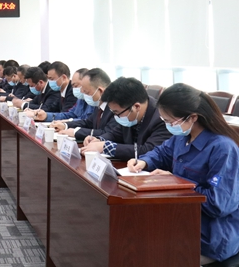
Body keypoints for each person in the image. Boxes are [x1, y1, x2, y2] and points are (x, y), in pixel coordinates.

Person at [127, 84, 239, 265]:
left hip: (210, 237)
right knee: (133, 241)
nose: (168, 126)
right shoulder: (182, 137)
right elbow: (162, 153)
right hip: (182, 222)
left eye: (171, 122)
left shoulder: (223, 148)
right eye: (164, 120)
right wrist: (144, 161)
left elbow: (218, 205)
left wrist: (175, 182)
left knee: (149, 256)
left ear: (193, 117)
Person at [81, 77, 171, 159]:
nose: (116, 117)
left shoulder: (163, 118)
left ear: (136, 107)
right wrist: (99, 139)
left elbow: (148, 150)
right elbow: (115, 134)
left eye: (117, 113)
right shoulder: (128, 113)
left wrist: (106, 147)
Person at [56, 68, 119, 141]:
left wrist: (76, 132)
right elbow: (87, 122)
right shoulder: (99, 106)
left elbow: (106, 133)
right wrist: (65, 125)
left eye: (87, 92)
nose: (83, 95)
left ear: (100, 91)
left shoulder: (115, 108)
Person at [29, 68, 93, 122]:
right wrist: (46, 116)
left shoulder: (93, 101)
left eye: (76, 86)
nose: (81, 90)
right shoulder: (80, 99)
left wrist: (67, 123)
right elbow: (69, 114)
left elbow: (86, 122)